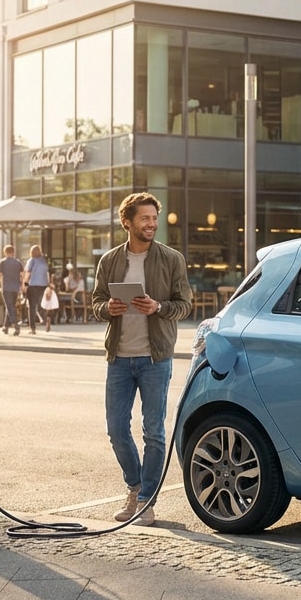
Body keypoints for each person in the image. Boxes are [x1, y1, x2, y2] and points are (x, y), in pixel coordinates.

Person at [91, 192, 193, 526]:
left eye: (154, 218)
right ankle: (134, 488)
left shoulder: (171, 259)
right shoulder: (110, 260)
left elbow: (184, 304)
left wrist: (158, 307)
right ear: (127, 222)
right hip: (119, 357)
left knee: (154, 432)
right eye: (144, 218)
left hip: (155, 358)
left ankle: (147, 502)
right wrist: (108, 308)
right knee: (116, 428)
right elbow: (96, 302)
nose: (151, 224)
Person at [0, 245, 25, 335]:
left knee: (10, 307)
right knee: (10, 306)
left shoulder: (2, 262)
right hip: (15, 288)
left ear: (5, 252)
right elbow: (22, 275)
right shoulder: (18, 262)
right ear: (13, 252)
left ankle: (16, 326)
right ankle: (5, 327)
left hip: (6, 288)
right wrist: (22, 286)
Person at [23, 245, 50, 335]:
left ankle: (33, 328)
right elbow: (47, 274)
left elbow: (28, 273)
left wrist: (25, 284)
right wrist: (48, 284)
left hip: (33, 285)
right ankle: (46, 319)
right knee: (41, 304)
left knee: (32, 307)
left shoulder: (32, 260)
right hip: (43, 285)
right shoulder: (44, 261)